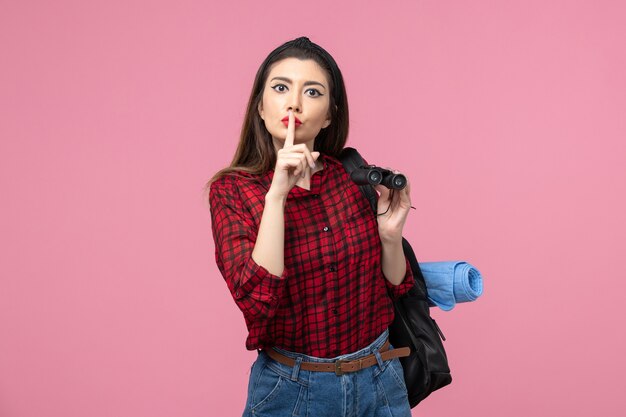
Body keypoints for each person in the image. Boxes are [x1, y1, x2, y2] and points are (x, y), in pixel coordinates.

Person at [207, 37, 416, 417]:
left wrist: (390, 236)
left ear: (331, 115)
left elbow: (395, 287)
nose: (294, 103)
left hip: (380, 379)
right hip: (292, 391)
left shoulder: (352, 178)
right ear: (260, 104)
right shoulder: (233, 191)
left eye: (313, 91)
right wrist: (277, 197)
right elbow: (255, 301)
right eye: (281, 87)